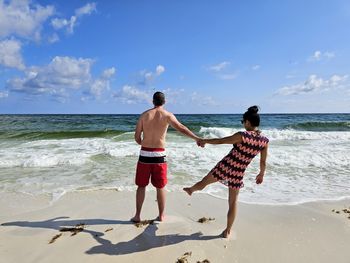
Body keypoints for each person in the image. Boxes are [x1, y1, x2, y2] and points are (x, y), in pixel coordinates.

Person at [183, 106, 269, 238]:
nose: (243, 124)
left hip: (226, 166)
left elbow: (221, 141)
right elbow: (263, 161)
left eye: (243, 122)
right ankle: (227, 231)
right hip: (239, 172)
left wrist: (203, 140)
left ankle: (191, 190)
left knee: (204, 182)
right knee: (233, 202)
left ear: (247, 122)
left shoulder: (242, 135)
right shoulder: (264, 141)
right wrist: (261, 174)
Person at [132, 91, 200, 222]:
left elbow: (136, 137)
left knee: (141, 186)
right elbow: (181, 127)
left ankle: (137, 216)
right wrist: (196, 138)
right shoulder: (167, 115)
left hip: (145, 154)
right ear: (164, 102)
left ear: (153, 101)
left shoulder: (144, 115)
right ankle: (161, 215)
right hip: (159, 155)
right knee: (160, 186)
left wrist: (144, 143)